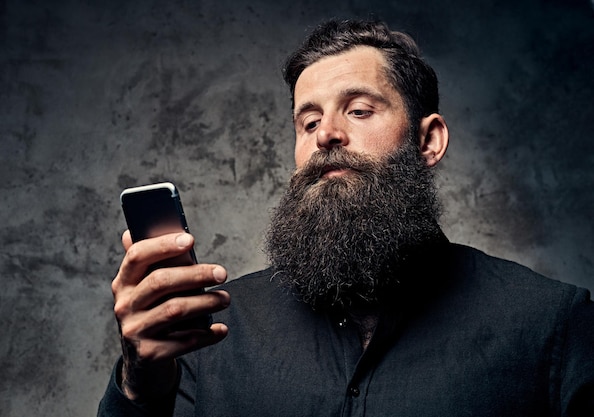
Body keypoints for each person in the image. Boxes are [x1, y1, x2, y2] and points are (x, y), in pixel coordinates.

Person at [98, 19, 594, 416]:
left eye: (358, 111)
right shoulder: (212, 333)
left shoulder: (550, 325)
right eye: (308, 121)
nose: (325, 135)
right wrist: (139, 389)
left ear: (428, 141)